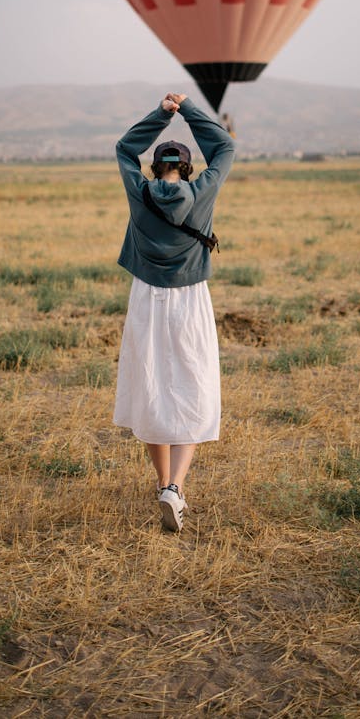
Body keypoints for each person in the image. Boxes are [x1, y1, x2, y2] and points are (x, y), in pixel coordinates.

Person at [114, 92, 235, 532]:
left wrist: (160, 115)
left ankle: (163, 482)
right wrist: (187, 110)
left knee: (151, 386)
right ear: (188, 168)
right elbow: (225, 148)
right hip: (190, 299)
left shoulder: (139, 190)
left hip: (147, 296)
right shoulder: (202, 191)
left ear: (153, 167)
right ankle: (176, 489)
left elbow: (124, 148)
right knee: (191, 386)